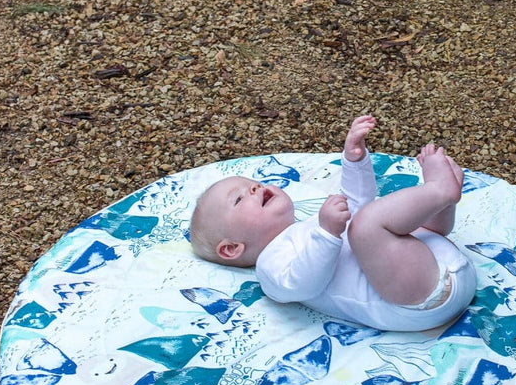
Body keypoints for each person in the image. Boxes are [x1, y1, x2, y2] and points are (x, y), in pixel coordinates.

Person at [190, 115, 476, 331]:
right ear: (231, 249)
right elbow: (304, 285)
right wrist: (328, 234)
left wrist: (354, 160)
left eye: (252, 184)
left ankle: (441, 200)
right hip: (423, 299)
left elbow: (356, 200)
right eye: (238, 200)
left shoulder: (312, 224)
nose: (253, 189)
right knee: (366, 225)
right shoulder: (270, 266)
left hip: (438, 266)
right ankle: (440, 191)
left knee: (384, 220)